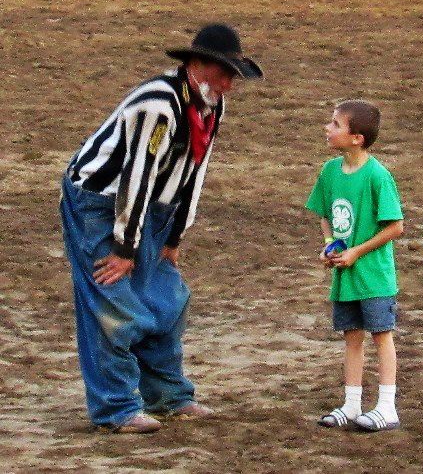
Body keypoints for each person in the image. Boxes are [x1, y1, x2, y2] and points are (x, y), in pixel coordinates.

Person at [60, 24, 263, 433]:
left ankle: (168, 396)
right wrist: (125, 248)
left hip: (153, 209)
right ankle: (115, 409)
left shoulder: (210, 107)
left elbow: (194, 169)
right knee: (112, 301)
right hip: (102, 205)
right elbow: (137, 175)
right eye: (224, 73)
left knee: (166, 299)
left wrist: (173, 237)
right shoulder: (156, 107)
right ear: (197, 66)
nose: (229, 84)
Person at [305, 100, 404, 432]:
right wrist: (332, 247)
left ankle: (387, 407)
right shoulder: (330, 171)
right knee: (351, 337)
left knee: (381, 336)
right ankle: (351, 404)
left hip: (374, 277)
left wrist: (356, 252)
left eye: (335, 124)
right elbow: (326, 214)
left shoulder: (378, 176)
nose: (327, 128)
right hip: (346, 276)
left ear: (357, 137)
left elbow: (395, 227)